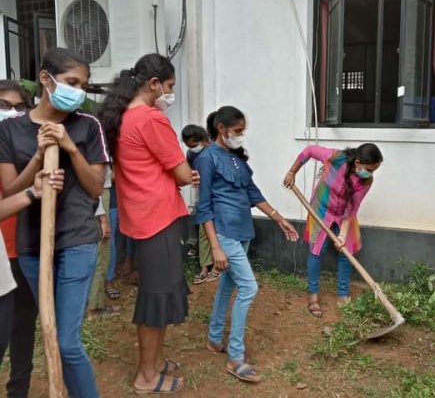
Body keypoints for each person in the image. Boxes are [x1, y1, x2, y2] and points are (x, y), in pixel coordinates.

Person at [0, 47, 110, 398]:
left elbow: (95, 188)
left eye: (83, 85)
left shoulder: (87, 126)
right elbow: (10, 191)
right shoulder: (11, 130)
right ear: (46, 80)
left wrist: (70, 148)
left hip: (77, 239)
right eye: (71, 82)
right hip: (33, 244)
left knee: (66, 339)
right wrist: (37, 155)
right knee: (47, 330)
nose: (78, 91)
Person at [100, 53, 199, 394]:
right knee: (156, 298)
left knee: (160, 292)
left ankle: (156, 362)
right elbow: (183, 174)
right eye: (169, 86)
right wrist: (185, 174)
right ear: (154, 84)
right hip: (158, 219)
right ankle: (146, 375)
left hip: (141, 216)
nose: (170, 93)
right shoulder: (150, 119)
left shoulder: (123, 117)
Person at [196, 105, 299, 383]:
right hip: (225, 233)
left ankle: (215, 339)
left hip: (243, 232)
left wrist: (279, 218)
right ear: (222, 129)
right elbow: (203, 207)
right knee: (249, 287)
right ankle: (236, 357)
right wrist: (215, 246)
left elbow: (253, 193)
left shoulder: (237, 158)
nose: (242, 136)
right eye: (238, 131)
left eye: (243, 131)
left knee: (229, 284)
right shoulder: (207, 159)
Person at [283, 143, 383, 317]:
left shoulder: (366, 180)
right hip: (321, 207)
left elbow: (352, 207)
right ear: (358, 162)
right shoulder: (336, 158)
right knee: (316, 251)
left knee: (346, 252)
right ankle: (313, 296)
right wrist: (292, 172)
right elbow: (309, 150)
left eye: (374, 170)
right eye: (369, 169)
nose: (370, 173)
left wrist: (343, 234)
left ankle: (343, 295)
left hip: (344, 213)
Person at [0, 80, 43, 398]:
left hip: (25, 249)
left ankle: (19, 390)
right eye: (4, 105)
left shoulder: (27, 149)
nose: (12, 113)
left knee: (24, 328)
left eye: (19, 107)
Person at [0, 169, 65, 369]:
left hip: (17, 259)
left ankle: (18, 391)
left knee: (22, 329)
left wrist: (32, 191)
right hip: (12, 255)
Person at [181, 124, 219, 284]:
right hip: (202, 195)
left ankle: (218, 267)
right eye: (189, 146)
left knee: (219, 231)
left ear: (203, 139)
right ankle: (205, 266)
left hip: (218, 196)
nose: (192, 149)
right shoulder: (191, 154)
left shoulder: (216, 150)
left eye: (194, 145)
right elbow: (189, 172)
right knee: (204, 231)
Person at [86, 168, 120, 319]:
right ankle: (94, 308)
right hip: (100, 196)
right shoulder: (98, 146)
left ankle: (94, 304)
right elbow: (96, 182)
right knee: (101, 254)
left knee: (100, 254)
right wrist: (102, 217)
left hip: (100, 196)